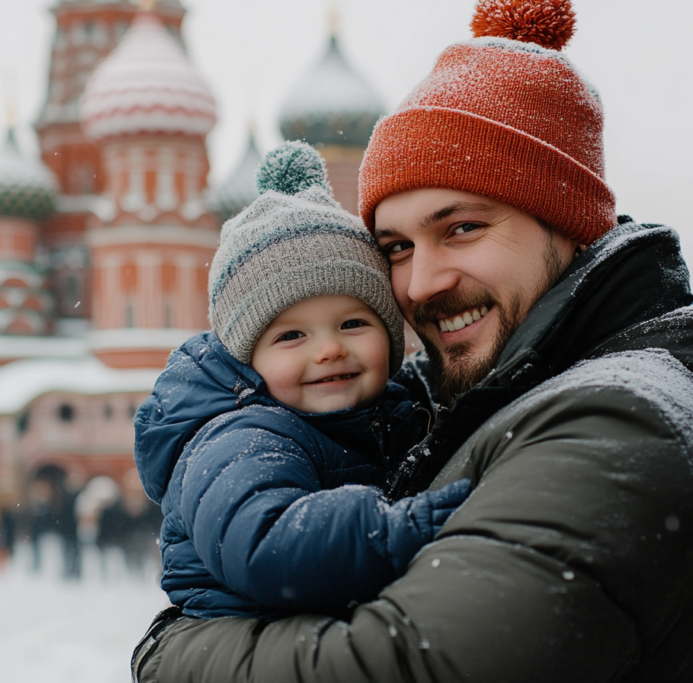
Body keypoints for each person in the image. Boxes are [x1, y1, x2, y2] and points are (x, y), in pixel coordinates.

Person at [132, 1, 693, 681]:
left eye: (462, 228)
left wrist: (173, 651)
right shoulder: (512, 397)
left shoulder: (622, 424)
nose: (419, 283)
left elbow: (405, 667)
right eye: (393, 247)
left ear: (567, 221)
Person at [132, 141, 469, 630]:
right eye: (291, 335)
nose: (328, 350)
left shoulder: (393, 412)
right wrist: (417, 523)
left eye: (353, 324)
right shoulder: (243, 436)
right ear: (249, 359)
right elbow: (268, 545)